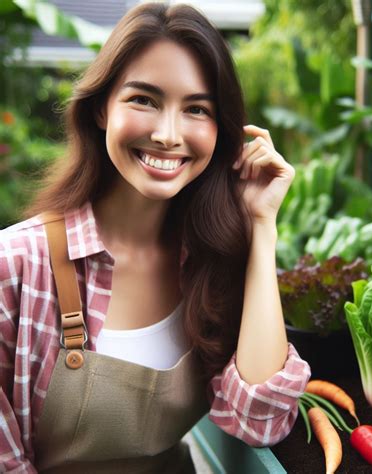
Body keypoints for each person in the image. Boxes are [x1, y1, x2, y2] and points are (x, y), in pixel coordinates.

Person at [0, 3, 310, 472]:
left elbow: (258, 421)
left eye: (196, 109)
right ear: (102, 108)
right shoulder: (17, 265)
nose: (167, 134)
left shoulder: (213, 264)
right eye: (143, 99)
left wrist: (261, 227)